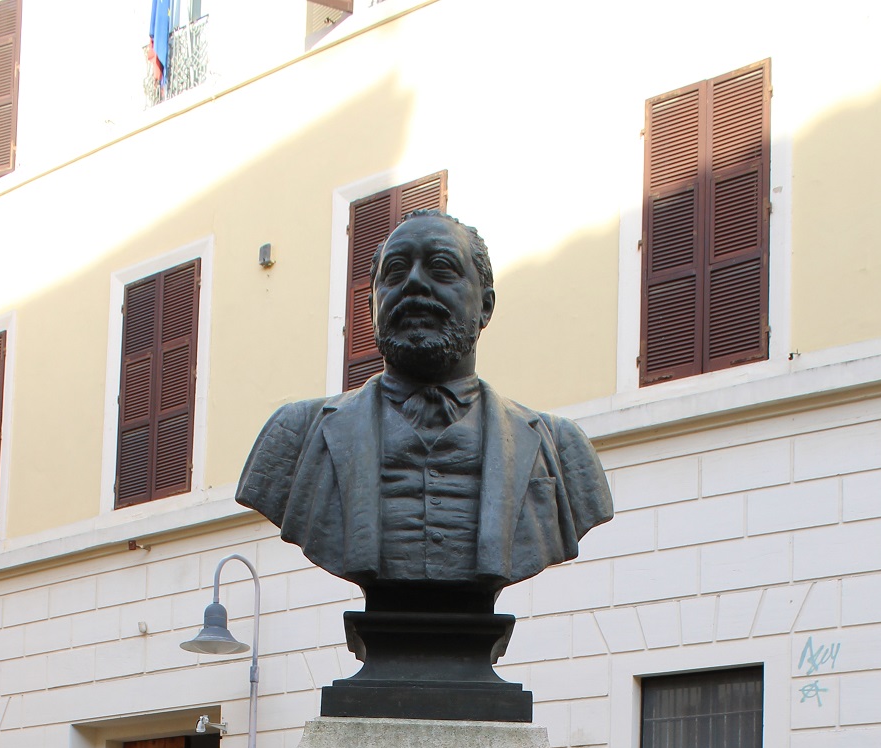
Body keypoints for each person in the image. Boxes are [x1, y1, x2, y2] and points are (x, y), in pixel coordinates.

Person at [235, 209, 613, 591]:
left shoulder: (560, 446)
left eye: (441, 268)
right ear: (372, 309)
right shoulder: (295, 434)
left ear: (485, 306)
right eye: (395, 272)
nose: (414, 283)